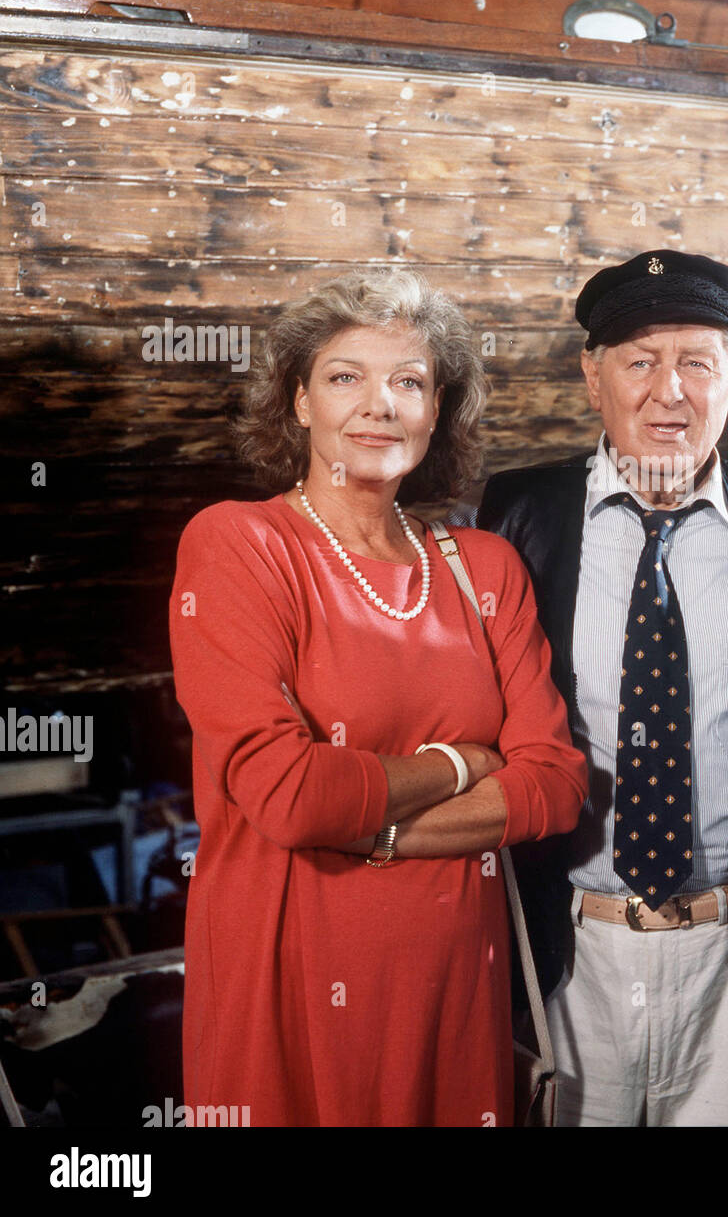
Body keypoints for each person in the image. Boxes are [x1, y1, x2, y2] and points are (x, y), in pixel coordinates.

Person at [169, 267, 588, 1126]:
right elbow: (287, 796)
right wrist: (461, 763)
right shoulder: (239, 545)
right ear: (297, 403)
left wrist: (376, 828)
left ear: (437, 412)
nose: (379, 404)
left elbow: (553, 785)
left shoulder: (484, 566)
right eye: (344, 376)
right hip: (287, 969)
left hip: (455, 980)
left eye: (409, 382)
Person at [477, 249, 728, 1126]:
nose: (667, 393)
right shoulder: (519, 513)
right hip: (573, 947)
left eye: (696, 362)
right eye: (639, 361)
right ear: (591, 376)